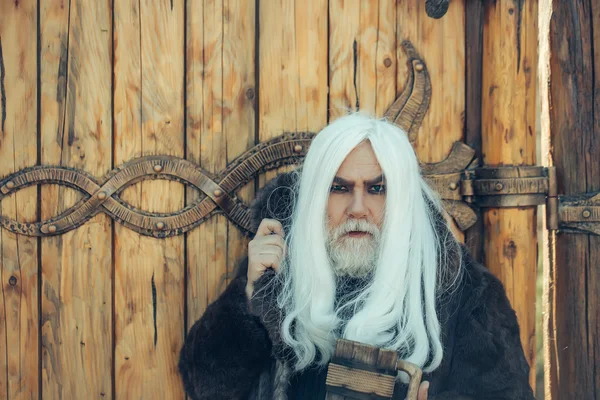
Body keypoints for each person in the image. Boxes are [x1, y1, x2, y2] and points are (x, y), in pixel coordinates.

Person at [178, 114, 535, 400]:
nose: (358, 208)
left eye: (377, 189)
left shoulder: (465, 294)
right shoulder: (278, 272)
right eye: (340, 187)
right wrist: (248, 297)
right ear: (318, 196)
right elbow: (207, 387)